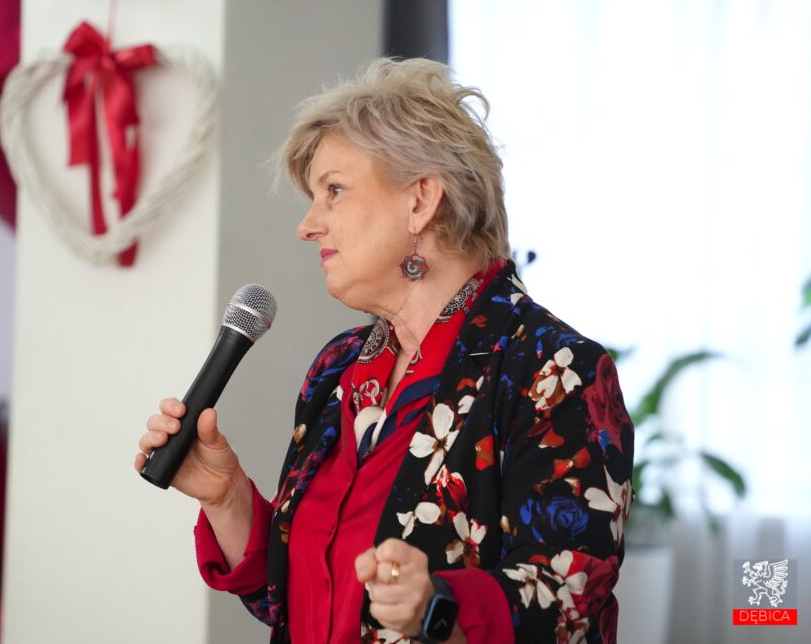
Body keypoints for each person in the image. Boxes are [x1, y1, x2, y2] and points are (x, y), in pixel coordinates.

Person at [135, 58, 634, 644]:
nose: (307, 225)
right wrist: (226, 498)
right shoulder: (339, 369)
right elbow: (298, 598)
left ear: (420, 200)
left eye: (334, 191)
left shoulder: (554, 369)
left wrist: (436, 605)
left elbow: (572, 599)